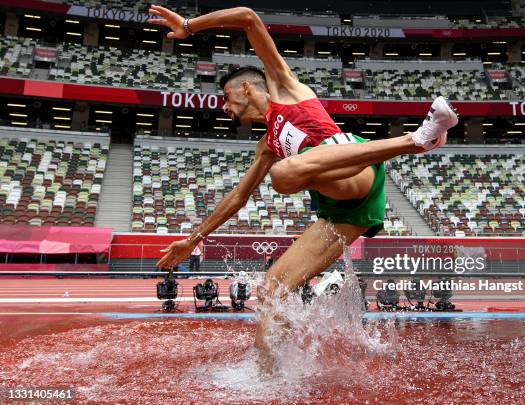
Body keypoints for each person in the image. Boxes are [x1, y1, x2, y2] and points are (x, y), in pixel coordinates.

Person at [149, 5, 458, 373]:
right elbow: (238, 197)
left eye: (227, 100)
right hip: (338, 211)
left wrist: (188, 25)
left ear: (245, 88)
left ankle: (416, 139)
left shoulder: (285, 87)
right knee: (272, 288)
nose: (226, 110)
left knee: (283, 175)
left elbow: (248, 17)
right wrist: (193, 238)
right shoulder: (266, 145)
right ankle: (272, 375)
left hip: (357, 171)